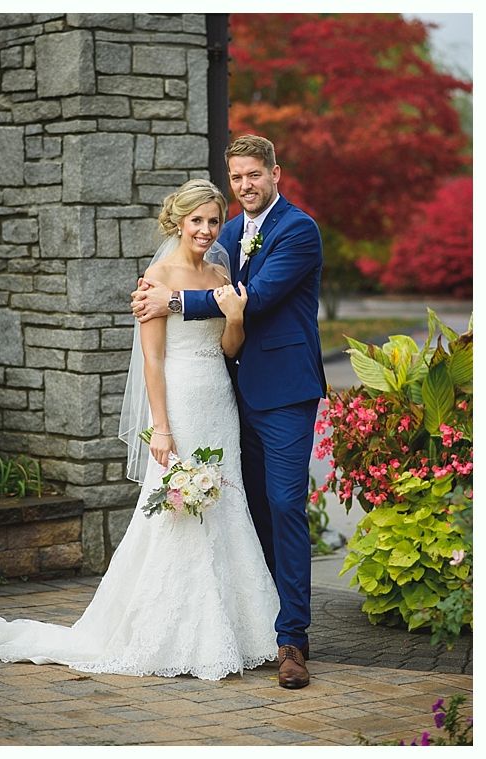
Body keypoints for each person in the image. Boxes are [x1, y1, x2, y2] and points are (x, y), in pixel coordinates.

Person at [0, 180, 280, 681]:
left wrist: (234, 316)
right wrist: (160, 428)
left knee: (226, 504)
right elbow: (152, 358)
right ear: (179, 222)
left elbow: (231, 348)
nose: (208, 230)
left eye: (214, 221)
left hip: (218, 401)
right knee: (175, 510)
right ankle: (172, 632)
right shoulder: (157, 277)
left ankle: (238, 629)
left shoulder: (220, 270)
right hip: (179, 401)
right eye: (198, 221)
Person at [131, 135, 325, 689]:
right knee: (247, 512)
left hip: (285, 391)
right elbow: (210, 292)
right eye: (237, 177)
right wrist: (162, 290)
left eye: (254, 176)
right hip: (227, 392)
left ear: (275, 173)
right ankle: (258, 625)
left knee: (285, 505)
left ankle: (292, 641)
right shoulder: (229, 232)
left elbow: (255, 298)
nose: (245, 186)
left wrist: (169, 303)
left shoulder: (298, 230)